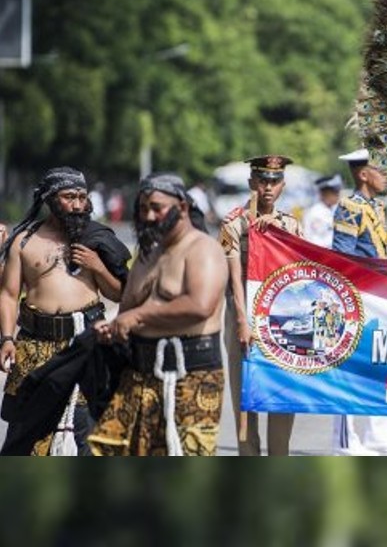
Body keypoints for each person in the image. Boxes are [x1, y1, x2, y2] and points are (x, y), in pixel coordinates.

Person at [88, 173, 227, 455]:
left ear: (183, 208)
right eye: (142, 208)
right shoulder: (146, 255)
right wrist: (114, 325)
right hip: (138, 375)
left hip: (191, 376)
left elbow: (201, 305)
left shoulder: (203, 249)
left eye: (156, 207)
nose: (149, 216)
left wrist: (141, 316)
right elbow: (127, 309)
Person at [0, 166, 131, 455]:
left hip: (86, 342)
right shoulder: (24, 242)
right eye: (69, 196)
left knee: (95, 430)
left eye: (82, 197)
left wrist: (97, 266)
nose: (77, 204)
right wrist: (7, 339)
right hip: (36, 344)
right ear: (50, 198)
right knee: (28, 430)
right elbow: (8, 295)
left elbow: (120, 293)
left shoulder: (95, 240)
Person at [220, 155, 303, 456]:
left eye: (275, 181)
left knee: (282, 402)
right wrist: (242, 321)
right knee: (245, 404)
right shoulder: (233, 224)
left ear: (282, 185)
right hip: (243, 318)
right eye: (262, 181)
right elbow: (232, 280)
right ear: (251, 183)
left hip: (282, 323)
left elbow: (302, 271)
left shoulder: (291, 224)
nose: (268, 188)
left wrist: (278, 233)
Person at [331, 148, 387, 456]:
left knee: (380, 365)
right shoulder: (350, 207)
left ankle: (380, 435)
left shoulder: (375, 206)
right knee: (350, 369)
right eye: (380, 170)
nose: (386, 176)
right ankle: (346, 441)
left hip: (379, 297)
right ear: (364, 174)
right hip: (357, 295)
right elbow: (342, 255)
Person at [303, 174, 342, 248]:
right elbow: (312, 240)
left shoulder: (336, 210)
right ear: (324, 193)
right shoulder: (315, 213)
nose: (337, 195)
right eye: (334, 192)